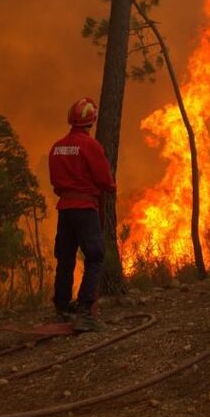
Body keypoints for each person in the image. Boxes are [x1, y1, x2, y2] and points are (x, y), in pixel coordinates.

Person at [49, 97, 116, 332]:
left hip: (64, 210)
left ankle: (62, 308)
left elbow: (55, 182)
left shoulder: (57, 147)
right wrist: (110, 185)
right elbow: (105, 180)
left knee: (65, 258)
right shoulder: (91, 146)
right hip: (86, 209)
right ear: (91, 120)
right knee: (95, 257)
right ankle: (85, 313)